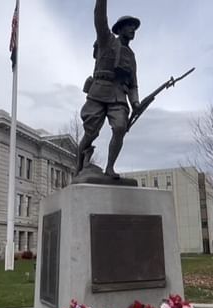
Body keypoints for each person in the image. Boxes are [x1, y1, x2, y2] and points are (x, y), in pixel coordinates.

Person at [77, 0, 141, 179]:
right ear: (119, 29)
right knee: (91, 133)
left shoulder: (131, 56)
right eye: (129, 26)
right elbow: (100, 17)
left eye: (134, 27)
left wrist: (135, 102)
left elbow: (133, 83)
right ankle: (80, 164)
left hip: (119, 95)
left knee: (120, 127)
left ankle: (110, 168)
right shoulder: (106, 39)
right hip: (99, 91)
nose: (132, 29)